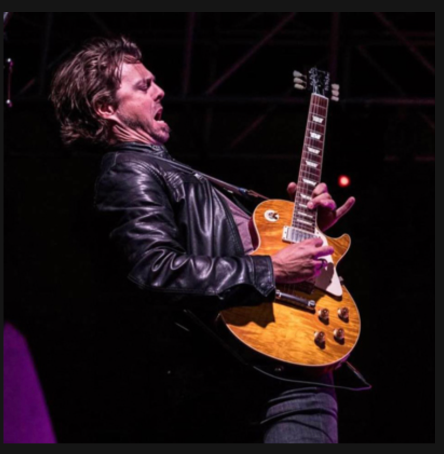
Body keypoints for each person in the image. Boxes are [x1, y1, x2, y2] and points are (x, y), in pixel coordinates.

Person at [50, 36, 355, 443]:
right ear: (106, 108)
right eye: (143, 86)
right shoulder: (128, 169)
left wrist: (306, 229)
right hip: (259, 378)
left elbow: (234, 250)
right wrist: (273, 269)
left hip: (281, 365)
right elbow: (156, 271)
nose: (160, 91)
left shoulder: (172, 171)